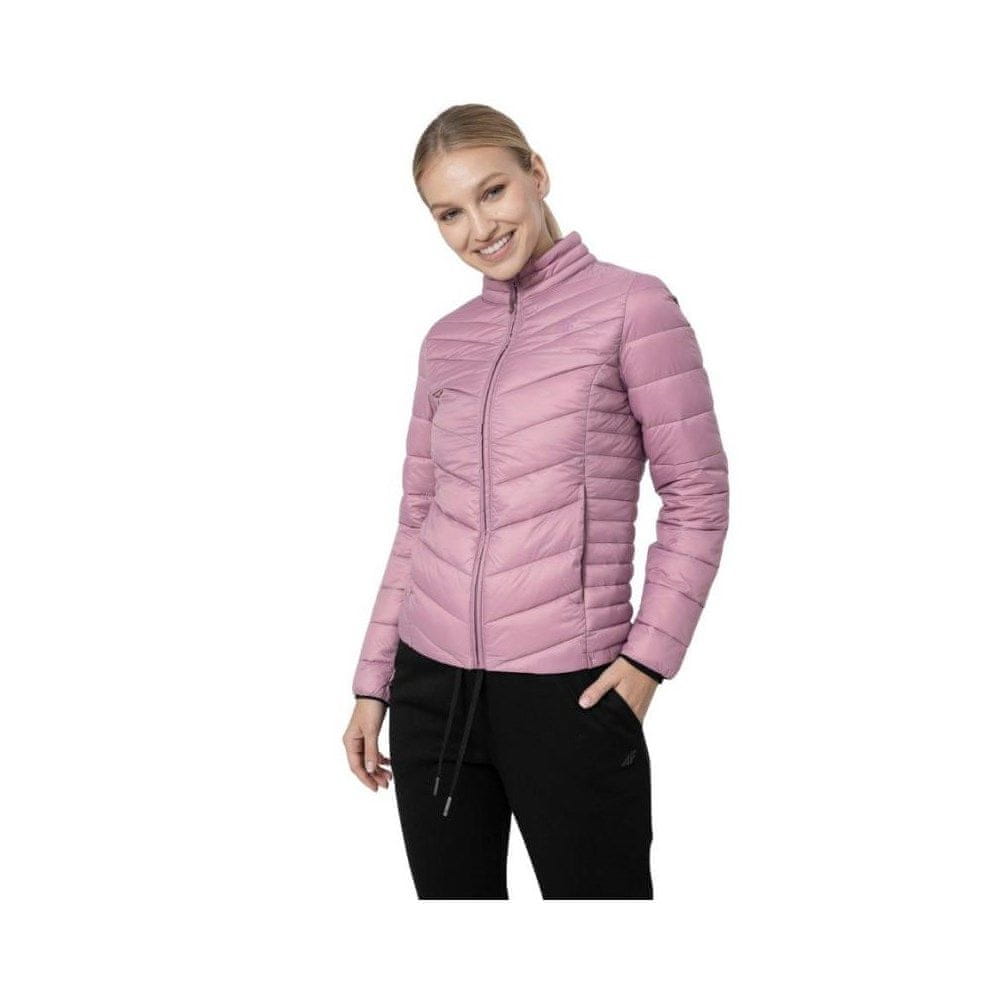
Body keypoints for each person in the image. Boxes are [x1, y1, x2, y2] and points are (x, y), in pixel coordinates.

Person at [343, 103, 730, 899]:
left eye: (492, 192)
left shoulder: (634, 308)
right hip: (430, 688)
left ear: (537, 175)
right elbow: (417, 520)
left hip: (570, 690)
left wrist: (647, 663)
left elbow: (697, 494)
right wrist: (373, 682)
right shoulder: (446, 341)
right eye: (449, 212)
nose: (479, 227)